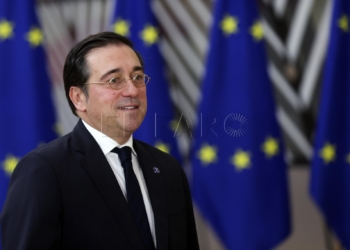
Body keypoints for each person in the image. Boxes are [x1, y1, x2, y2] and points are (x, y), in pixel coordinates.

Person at [0, 32, 199, 250]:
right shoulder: (44, 171)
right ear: (78, 98)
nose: (132, 90)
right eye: (114, 80)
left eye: (138, 77)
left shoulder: (166, 168)